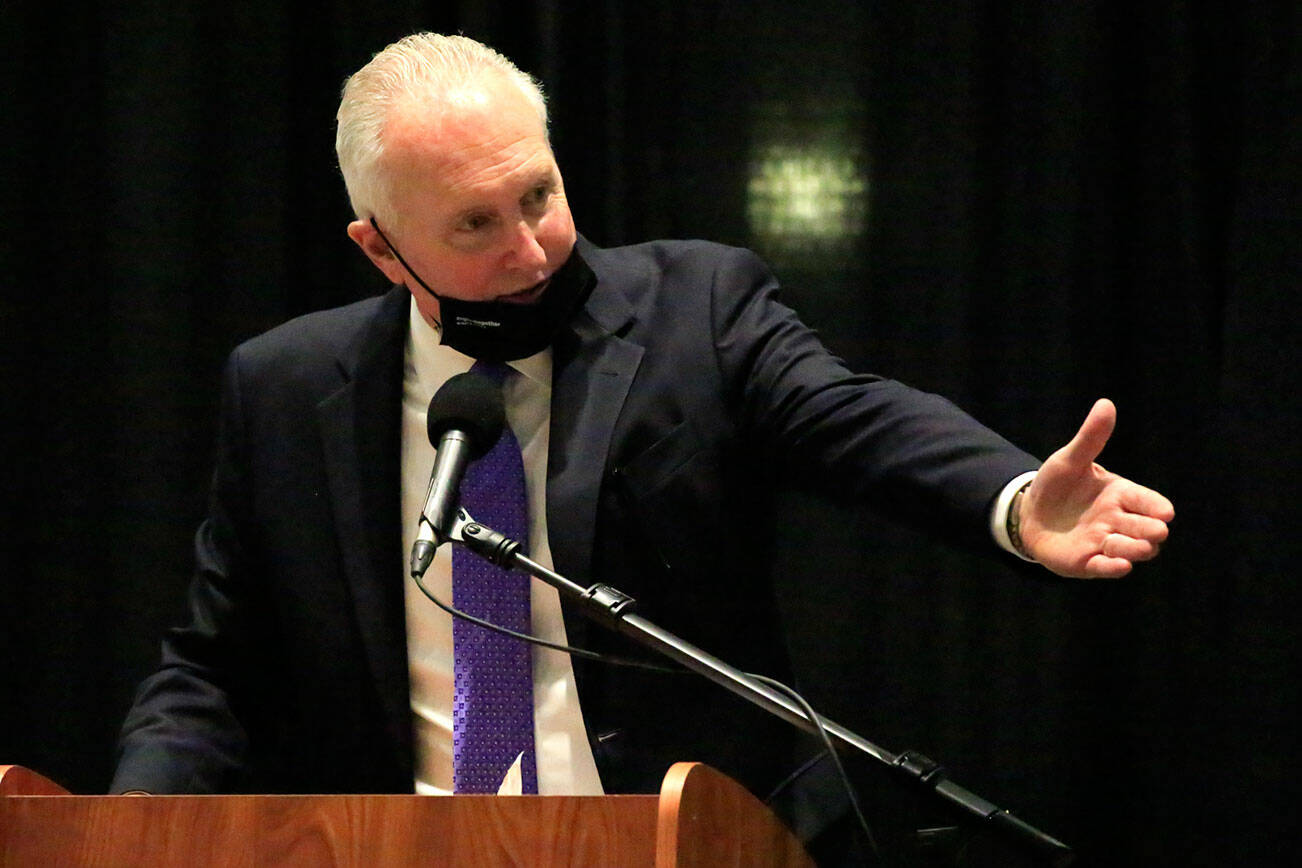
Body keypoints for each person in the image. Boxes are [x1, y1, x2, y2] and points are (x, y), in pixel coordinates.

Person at [112, 31, 1172, 823]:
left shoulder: (692, 310)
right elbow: (215, 664)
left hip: (689, 836)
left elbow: (849, 418)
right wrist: (126, 831)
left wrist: (1012, 496)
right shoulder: (289, 387)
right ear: (380, 249)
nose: (531, 251)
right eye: (476, 225)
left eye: (539, 195)